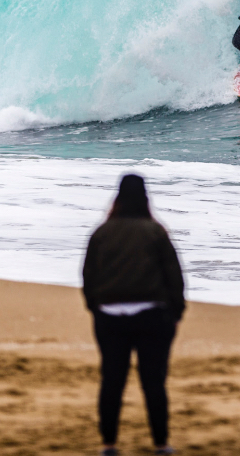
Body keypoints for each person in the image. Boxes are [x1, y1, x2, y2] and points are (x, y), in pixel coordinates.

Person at [82, 174, 185, 456]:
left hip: (109, 316)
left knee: (112, 380)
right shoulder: (155, 231)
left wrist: (96, 308)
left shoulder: (101, 233)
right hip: (152, 315)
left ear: (117, 198)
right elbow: (174, 277)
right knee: (154, 381)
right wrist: (176, 312)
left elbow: (88, 276)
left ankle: (109, 444)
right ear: (145, 198)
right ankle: (161, 444)